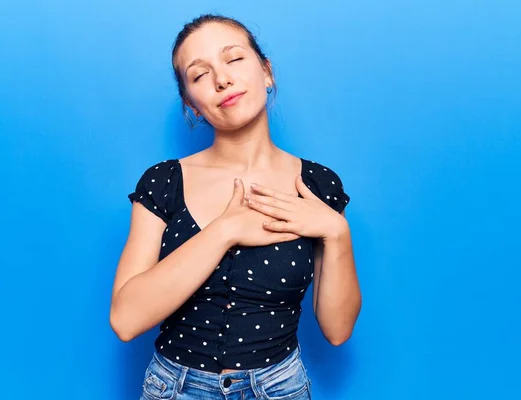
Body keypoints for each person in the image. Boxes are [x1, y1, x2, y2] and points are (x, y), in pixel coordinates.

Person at [110, 13, 362, 400]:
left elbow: (337, 330)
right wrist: (224, 230)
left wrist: (337, 233)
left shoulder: (317, 186)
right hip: (174, 389)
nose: (222, 79)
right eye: (199, 74)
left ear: (266, 72)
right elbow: (126, 320)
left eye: (234, 59)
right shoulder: (163, 183)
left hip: (280, 389)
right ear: (192, 105)